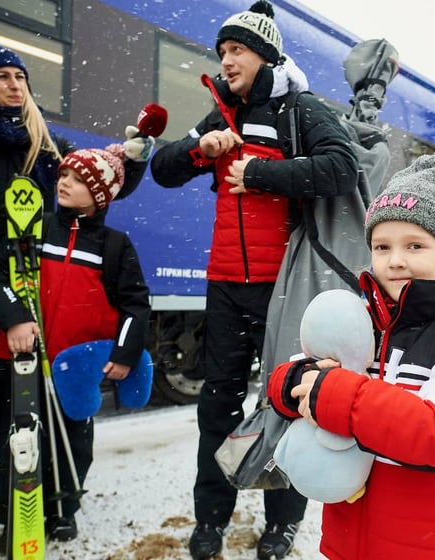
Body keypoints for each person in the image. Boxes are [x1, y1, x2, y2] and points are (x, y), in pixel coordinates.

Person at [0, 39, 153, 542]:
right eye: (2, 77)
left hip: (27, 286)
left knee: (21, 402)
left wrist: (130, 161)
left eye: (20, 76)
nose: (15, 85)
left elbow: (96, 179)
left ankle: (24, 495)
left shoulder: (42, 144)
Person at [149, 1, 358, 557]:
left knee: (287, 402)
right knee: (216, 406)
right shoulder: (222, 113)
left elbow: (341, 168)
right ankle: (210, 520)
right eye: (222, 51)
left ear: (264, 56)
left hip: (285, 288)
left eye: (237, 50)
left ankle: (281, 524)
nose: (226, 60)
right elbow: (162, 171)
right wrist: (198, 147)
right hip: (224, 286)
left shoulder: (300, 109)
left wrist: (261, 173)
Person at [268, 155, 435, 560]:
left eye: (415, 245)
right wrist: (293, 382)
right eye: (382, 247)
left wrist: (333, 396)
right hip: (353, 541)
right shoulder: (360, 322)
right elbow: (295, 375)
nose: (395, 259)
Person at [0, 144, 151, 547]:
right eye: (63, 175)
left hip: (75, 367)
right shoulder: (33, 228)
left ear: (100, 194)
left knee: (74, 440)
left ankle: (62, 509)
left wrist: (124, 354)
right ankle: (16, 513)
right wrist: (14, 317)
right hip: (25, 360)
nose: (64, 183)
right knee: (20, 440)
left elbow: (135, 305)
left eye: (77, 179)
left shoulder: (113, 245)